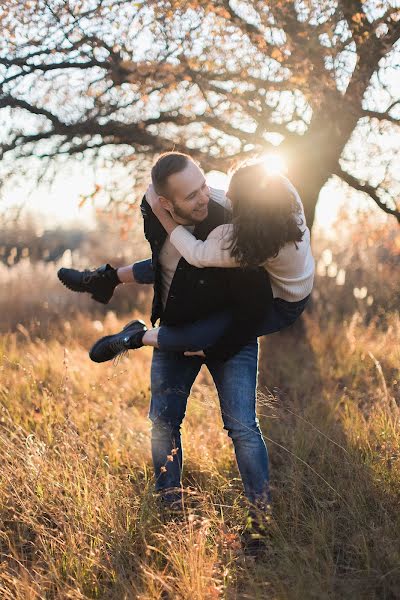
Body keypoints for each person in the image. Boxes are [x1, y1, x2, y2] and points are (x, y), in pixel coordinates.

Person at [57, 152, 314, 549]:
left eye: (204, 191)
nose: (206, 200)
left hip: (243, 321)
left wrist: (222, 344)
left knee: (243, 427)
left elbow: (204, 260)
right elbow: (168, 256)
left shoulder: (245, 236)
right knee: (163, 420)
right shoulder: (232, 209)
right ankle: (169, 511)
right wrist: (158, 211)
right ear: (168, 202)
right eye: (192, 194)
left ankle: (260, 520)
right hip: (184, 320)